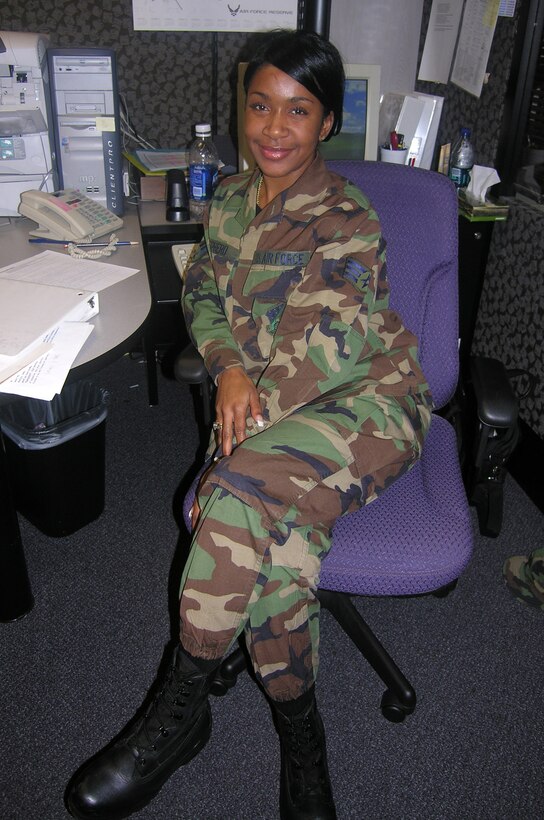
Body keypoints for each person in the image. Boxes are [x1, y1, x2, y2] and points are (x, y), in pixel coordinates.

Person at [65, 30, 433, 820]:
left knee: (231, 497)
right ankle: (304, 744)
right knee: (275, 565)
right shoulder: (231, 196)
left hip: (363, 402)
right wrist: (227, 363)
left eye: (297, 111)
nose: (273, 127)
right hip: (264, 409)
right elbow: (200, 289)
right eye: (260, 105)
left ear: (326, 122)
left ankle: (175, 711)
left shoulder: (347, 217)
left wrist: (241, 429)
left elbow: (321, 352)